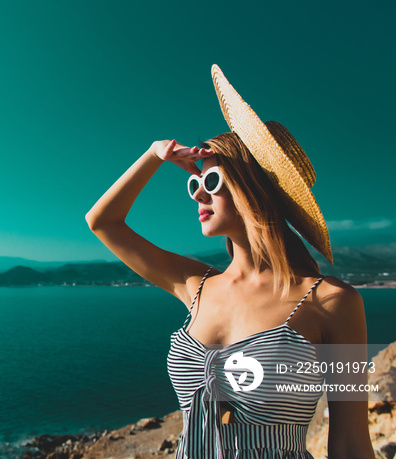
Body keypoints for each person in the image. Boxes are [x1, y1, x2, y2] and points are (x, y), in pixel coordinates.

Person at [85, 65, 374, 458]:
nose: (198, 195)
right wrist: (155, 155)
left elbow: (352, 443)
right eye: (195, 184)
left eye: (213, 182)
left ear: (254, 188)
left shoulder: (333, 303)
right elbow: (102, 222)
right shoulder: (196, 285)